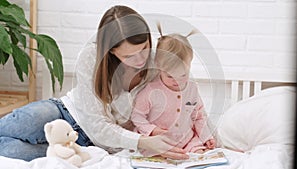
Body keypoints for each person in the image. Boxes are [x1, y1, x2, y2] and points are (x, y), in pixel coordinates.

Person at [0, 5, 189, 161]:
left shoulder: (158, 62)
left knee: (13, 152)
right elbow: (97, 125)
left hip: (90, 145)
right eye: (129, 56)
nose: (140, 59)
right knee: (24, 123)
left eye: (144, 48)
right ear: (112, 51)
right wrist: (143, 142)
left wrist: (204, 136)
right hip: (66, 113)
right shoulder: (92, 57)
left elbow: (186, 95)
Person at [131, 25, 216, 156]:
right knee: (150, 155)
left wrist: (207, 137)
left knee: (199, 155)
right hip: (158, 142)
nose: (177, 82)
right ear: (158, 66)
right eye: (170, 76)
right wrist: (153, 130)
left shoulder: (192, 88)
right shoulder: (150, 91)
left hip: (187, 141)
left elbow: (198, 117)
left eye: (183, 75)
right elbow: (137, 116)